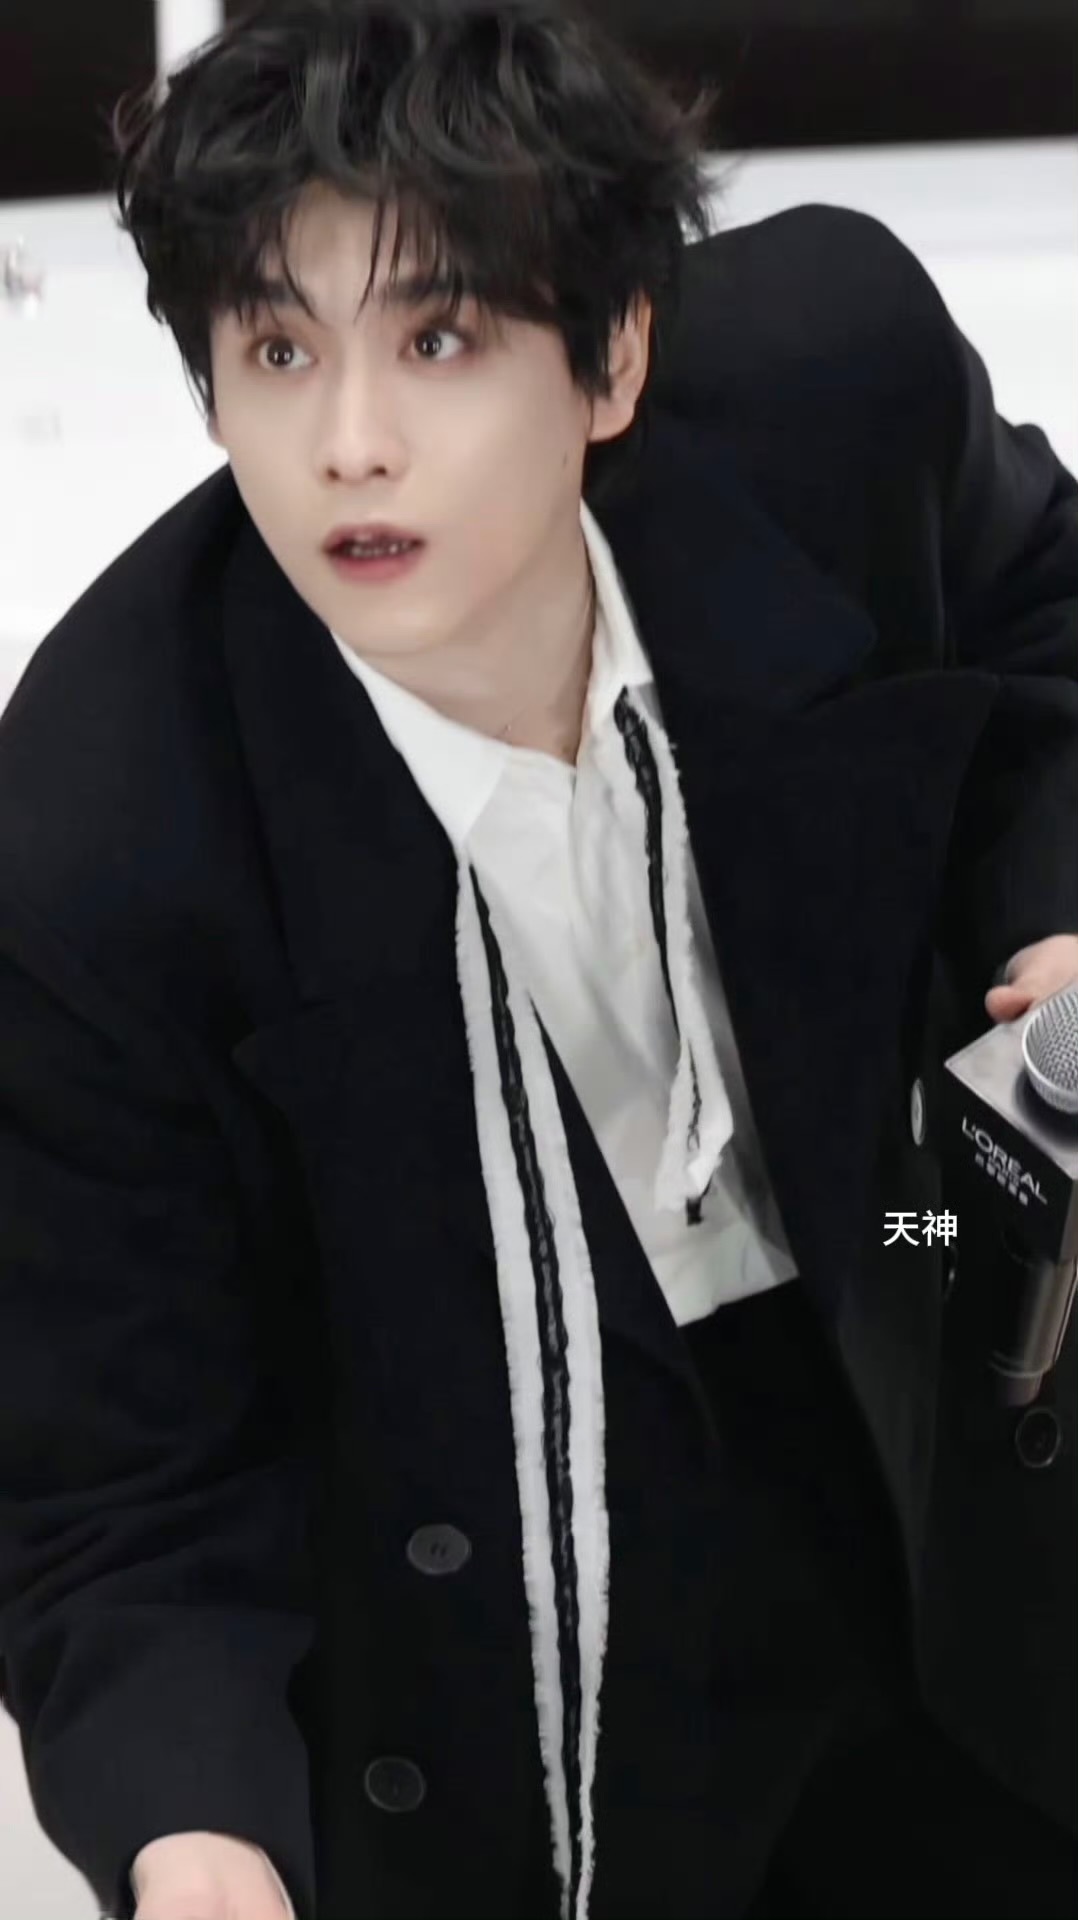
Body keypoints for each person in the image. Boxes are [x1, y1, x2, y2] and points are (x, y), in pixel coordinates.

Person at [0, 2, 1076, 1917]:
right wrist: (196, 1847)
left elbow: (1043, 621)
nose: (348, 446)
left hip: (896, 1295)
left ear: (611, 356)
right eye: (275, 350)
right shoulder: (95, 826)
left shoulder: (837, 386)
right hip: (504, 1595)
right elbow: (120, 1481)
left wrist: (1053, 907)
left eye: (436, 339)